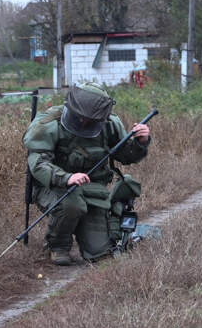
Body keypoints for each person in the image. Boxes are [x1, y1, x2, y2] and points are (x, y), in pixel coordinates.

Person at [23, 82, 151, 265]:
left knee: (100, 254)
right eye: (79, 117)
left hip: (92, 192)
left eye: (89, 120)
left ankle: (85, 232)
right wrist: (66, 178)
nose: (82, 122)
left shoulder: (110, 125)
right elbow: (38, 164)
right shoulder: (48, 123)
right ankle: (58, 246)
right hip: (52, 187)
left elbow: (125, 156)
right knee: (71, 204)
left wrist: (141, 141)